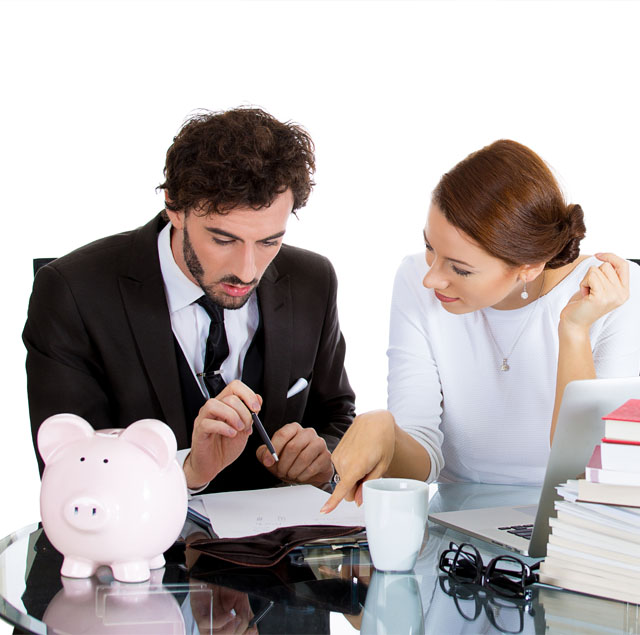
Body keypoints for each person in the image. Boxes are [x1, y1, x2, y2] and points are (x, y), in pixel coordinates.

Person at [24, 107, 355, 493]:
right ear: (174, 207)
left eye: (269, 242)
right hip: (142, 549)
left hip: (281, 545)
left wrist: (323, 461)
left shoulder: (312, 280)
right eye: (223, 239)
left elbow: (337, 416)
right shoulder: (72, 292)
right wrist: (186, 471)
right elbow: (68, 472)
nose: (248, 271)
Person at [322, 139, 640, 513]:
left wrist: (573, 332)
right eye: (430, 247)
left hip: (578, 524)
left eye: (460, 269)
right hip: (458, 529)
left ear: (529, 267)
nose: (432, 279)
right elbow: (421, 462)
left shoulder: (611, 293)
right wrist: (387, 433)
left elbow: (586, 469)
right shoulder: (415, 278)